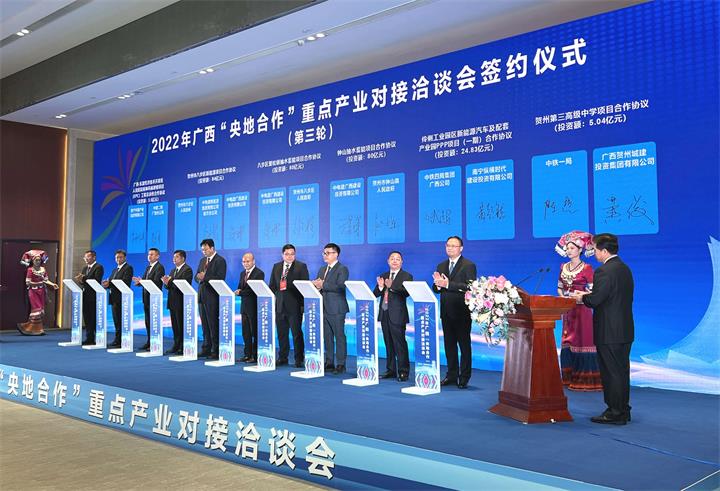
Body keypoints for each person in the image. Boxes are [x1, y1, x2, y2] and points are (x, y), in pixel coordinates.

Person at [571, 233, 634, 425]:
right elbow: (611, 295)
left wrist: (582, 297)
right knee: (621, 371)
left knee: (611, 372)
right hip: (624, 329)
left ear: (604, 251)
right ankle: (623, 409)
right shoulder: (624, 268)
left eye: (595, 250)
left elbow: (596, 300)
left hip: (609, 331)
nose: (594, 253)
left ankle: (614, 413)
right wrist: (591, 294)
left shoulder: (603, 271)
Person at [555, 231, 602, 391]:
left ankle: (584, 379)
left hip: (582, 310)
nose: (568, 251)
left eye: (572, 248)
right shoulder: (563, 267)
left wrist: (580, 296)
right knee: (568, 341)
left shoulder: (587, 268)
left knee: (582, 340)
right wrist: (564, 297)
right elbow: (559, 288)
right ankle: (568, 377)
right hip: (568, 310)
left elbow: (593, 291)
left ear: (580, 250)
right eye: (567, 248)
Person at [432, 236, 477, 389]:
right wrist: (438, 285)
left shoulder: (468, 265)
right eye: (448, 245)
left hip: (461, 312)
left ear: (461, 248)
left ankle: (464, 377)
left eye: (454, 245)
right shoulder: (441, 265)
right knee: (449, 345)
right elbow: (436, 288)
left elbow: (470, 287)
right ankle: (451, 375)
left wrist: (448, 284)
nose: (450, 248)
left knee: (464, 346)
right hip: (446, 312)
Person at [373, 251, 412, 382]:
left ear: (402, 262)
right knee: (388, 343)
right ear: (388, 261)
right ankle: (391, 370)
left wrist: (392, 286)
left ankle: (403, 371)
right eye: (392, 259)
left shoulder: (406, 276)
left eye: (398, 259)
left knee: (400, 344)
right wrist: (380, 287)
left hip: (398, 315)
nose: (395, 261)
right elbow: (375, 294)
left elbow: (406, 293)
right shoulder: (383, 275)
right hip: (384, 313)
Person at [268, 244, 309, 367]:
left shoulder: (301, 266)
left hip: (294, 306)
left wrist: (302, 305)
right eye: (287, 254)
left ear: (295, 255)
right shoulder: (276, 266)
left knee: (296, 334)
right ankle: (282, 357)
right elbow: (272, 285)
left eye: (292, 254)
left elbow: (304, 287)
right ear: (282, 255)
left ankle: (299, 359)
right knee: (282, 333)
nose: (289, 256)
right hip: (280, 306)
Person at [312, 243, 349, 374]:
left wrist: (323, 285)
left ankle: (341, 364)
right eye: (324, 253)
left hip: (337, 308)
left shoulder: (342, 269)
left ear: (336, 254)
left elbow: (340, 287)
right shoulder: (322, 269)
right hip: (324, 307)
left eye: (328, 253)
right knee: (327, 336)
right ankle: (329, 362)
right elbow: (320, 286)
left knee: (339, 336)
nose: (325, 255)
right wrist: (315, 286)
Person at [195, 238, 227, 360]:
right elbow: (197, 276)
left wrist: (205, 277)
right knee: (204, 325)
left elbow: (220, 278)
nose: (204, 252)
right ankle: (206, 348)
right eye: (202, 250)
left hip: (212, 297)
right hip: (201, 296)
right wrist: (198, 277)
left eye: (206, 249)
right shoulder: (202, 260)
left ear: (212, 248)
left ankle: (215, 350)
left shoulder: (220, 260)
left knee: (213, 324)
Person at [18, 250, 58, 336]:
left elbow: (46, 280)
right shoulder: (30, 270)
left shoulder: (43, 269)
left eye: (39, 260)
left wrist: (52, 284)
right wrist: (39, 283)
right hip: (33, 292)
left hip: (42, 292)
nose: (38, 261)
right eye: (36, 260)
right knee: (37, 311)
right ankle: (36, 329)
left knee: (41, 311)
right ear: (33, 261)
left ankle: (31, 328)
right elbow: (28, 283)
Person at [133, 248, 165, 351]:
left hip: (154, 298)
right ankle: (149, 341)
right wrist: (139, 282)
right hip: (146, 298)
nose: (149, 256)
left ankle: (154, 342)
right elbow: (145, 281)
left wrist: (142, 281)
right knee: (148, 321)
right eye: (149, 254)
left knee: (153, 322)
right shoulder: (148, 267)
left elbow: (156, 282)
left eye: (152, 254)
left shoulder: (160, 267)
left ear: (157, 256)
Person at [234, 252, 264, 363]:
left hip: (254, 307)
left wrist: (241, 292)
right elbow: (240, 287)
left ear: (253, 261)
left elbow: (253, 290)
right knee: (245, 332)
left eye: (248, 261)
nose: (245, 263)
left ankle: (255, 356)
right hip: (244, 307)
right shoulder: (242, 273)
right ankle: (247, 354)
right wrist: (239, 291)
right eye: (244, 261)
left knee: (254, 332)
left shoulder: (259, 273)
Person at [162, 250, 193, 355]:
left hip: (181, 302)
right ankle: (176, 345)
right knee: (175, 325)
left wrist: (170, 281)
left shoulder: (187, 270)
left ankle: (183, 346)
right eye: (173, 257)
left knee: (181, 325)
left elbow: (183, 284)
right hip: (172, 301)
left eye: (177, 257)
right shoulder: (173, 270)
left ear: (183, 258)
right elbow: (168, 286)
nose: (174, 259)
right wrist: (166, 282)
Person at [102, 249, 133, 347]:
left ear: (125, 258)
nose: (118, 259)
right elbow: (111, 282)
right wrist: (107, 284)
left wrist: (110, 283)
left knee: (122, 320)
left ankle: (123, 340)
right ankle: (117, 339)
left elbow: (125, 282)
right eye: (116, 257)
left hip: (122, 298)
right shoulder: (114, 270)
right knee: (116, 320)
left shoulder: (128, 268)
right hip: (114, 298)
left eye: (120, 257)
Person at [74, 250, 104, 345]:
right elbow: (84, 282)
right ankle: (89, 338)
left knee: (93, 318)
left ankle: (98, 338)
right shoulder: (85, 268)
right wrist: (80, 280)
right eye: (85, 257)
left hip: (94, 297)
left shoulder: (99, 267)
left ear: (94, 257)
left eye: (88, 257)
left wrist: (84, 278)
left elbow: (96, 280)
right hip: (85, 295)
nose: (86, 259)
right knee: (86, 318)